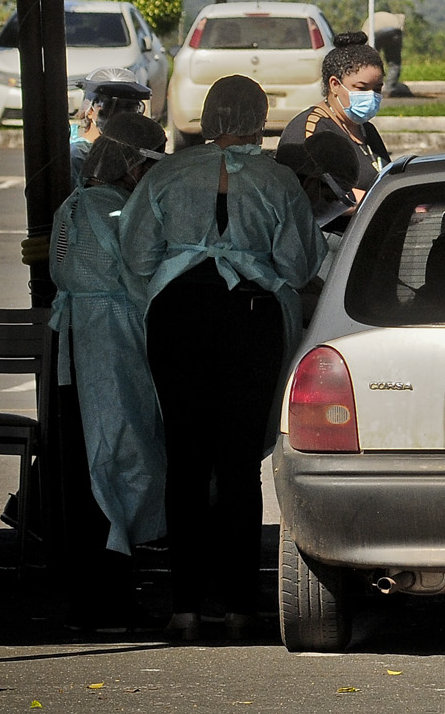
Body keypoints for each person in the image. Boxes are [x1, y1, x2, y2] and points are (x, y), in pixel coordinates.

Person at [120, 75, 326, 641]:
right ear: (259, 119)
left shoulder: (166, 174)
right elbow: (299, 264)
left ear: (208, 118)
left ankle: (183, 608)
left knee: (184, 458)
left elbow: (136, 258)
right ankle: (241, 607)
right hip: (250, 316)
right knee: (237, 464)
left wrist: (170, 292)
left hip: (177, 316)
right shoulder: (279, 179)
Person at [48, 112, 169, 630]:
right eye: (148, 164)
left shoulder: (71, 205)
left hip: (74, 342)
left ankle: (86, 597)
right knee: (118, 461)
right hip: (112, 344)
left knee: (84, 465)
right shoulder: (119, 211)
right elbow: (141, 273)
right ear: (131, 163)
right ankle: (112, 598)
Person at [276, 32, 389, 202]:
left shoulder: (366, 129)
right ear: (335, 85)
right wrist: (378, 202)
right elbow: (314, 193)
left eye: (377, 89)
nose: (371, 96)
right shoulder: (310, 130)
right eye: (362, 88)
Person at [69, 68, 151, 181]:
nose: (122, 115)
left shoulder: (131, 155)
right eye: (112, 107)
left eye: (130, 107)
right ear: (89, 110)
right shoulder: (76, 157)